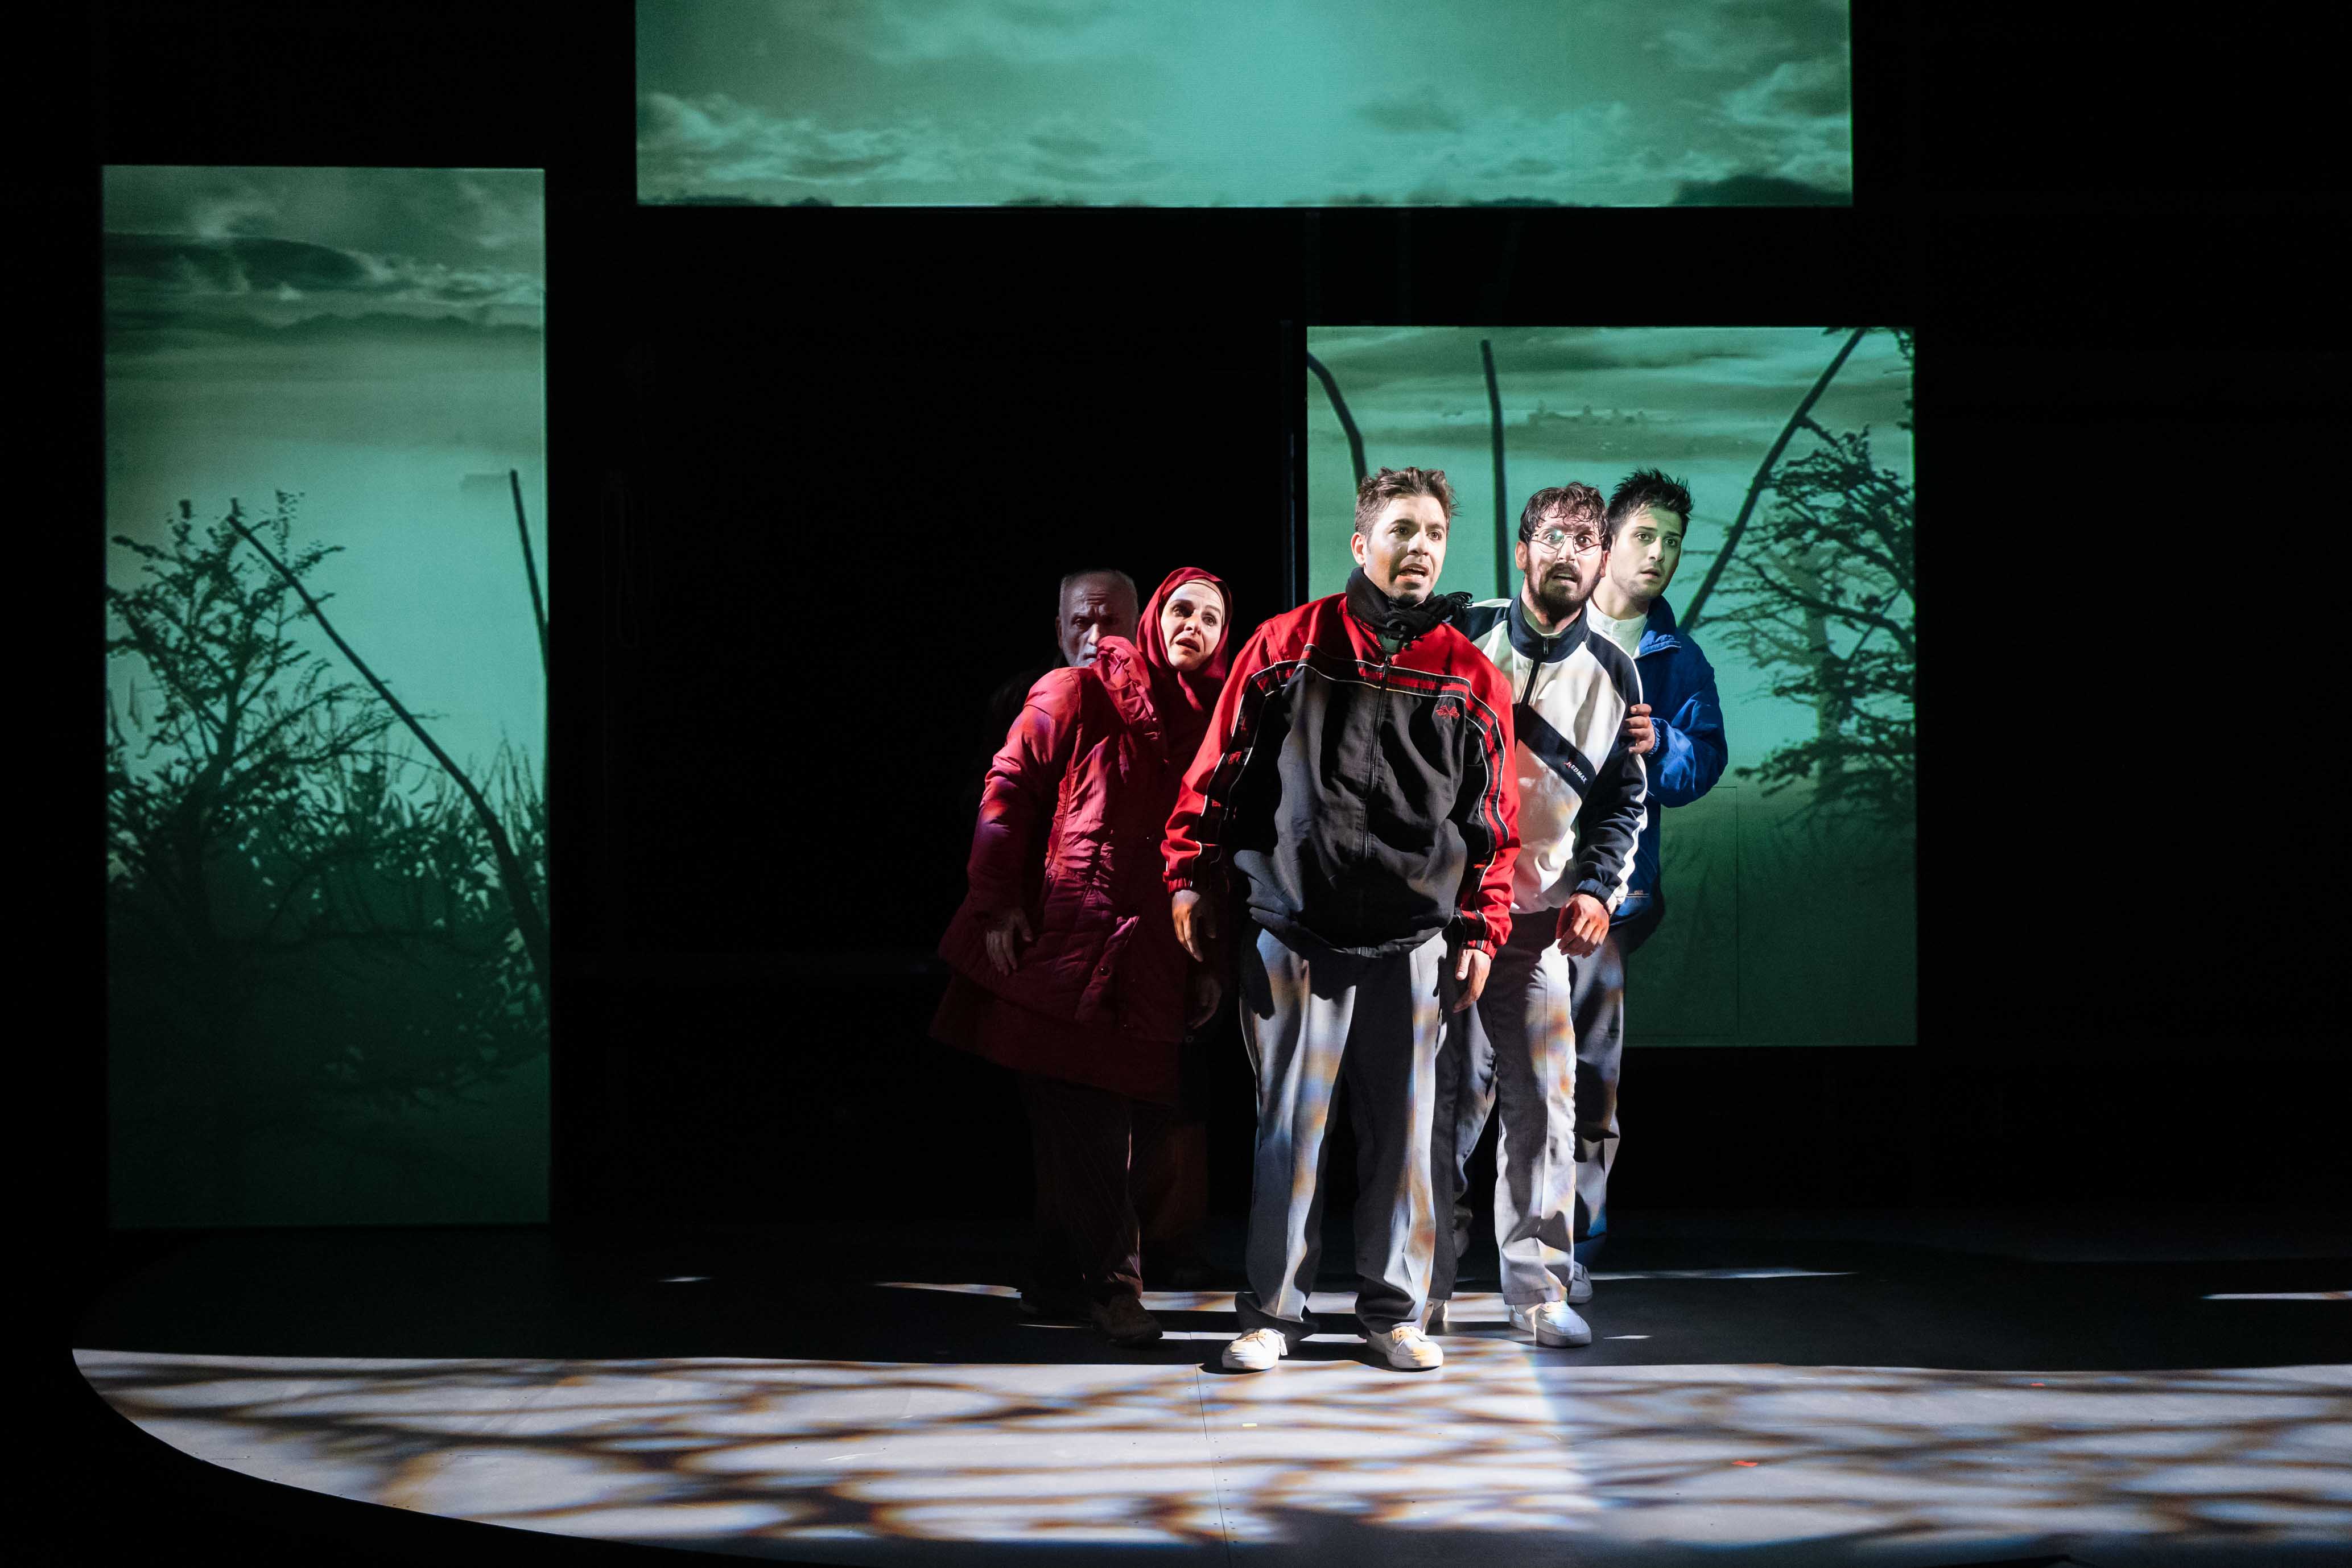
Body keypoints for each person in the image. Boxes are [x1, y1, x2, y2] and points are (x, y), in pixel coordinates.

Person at [1165, 467, 1519, 1375]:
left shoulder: (1471, 674)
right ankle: (1271, 1317)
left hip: (1413, 937)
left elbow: (1491, 820)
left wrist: (1481, 928)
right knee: (1289, 1130)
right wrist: (1189, 879)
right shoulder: (1289, 643)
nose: (1420, 547)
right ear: (1362, 544)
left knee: (1404, 1136)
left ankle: (1392, 1314)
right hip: (1293, 925)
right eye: (1402, 529)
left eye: (1433, 533)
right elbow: (1220, 774)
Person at [933, 568, 1235, 1348]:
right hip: (1061, 950)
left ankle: (1052, 1279)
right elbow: (1007, 791)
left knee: (1120, 1132)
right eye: (1181, 610)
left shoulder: (1213, 723)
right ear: (1154, 620)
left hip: (1151, 961)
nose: (1193, 626)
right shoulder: (1072, 691)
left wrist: (1208, 965)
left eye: (1210, 617)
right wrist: (996, 902)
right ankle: (1114, 1291)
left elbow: (1209, 858)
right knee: (1091, 1127)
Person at [1426, 482, 1648, 1347]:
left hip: (1536, 922)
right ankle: (1421, 1284)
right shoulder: (1460, 631)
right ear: (1522, 552)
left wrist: (1597, 888)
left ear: (1602, 560)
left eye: (1585, 541)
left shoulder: (1616, 672)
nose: (1567, 553)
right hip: (1441, 918)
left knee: (1545, 1107)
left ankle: (1537, 1288)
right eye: (1551, 537)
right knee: (1434, 1104)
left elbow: (1623, 804)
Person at [1569, 468, 1727, 1270]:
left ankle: (1574, 1237)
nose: (1659, 553)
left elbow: (1702, 766)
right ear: (1605, 542)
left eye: (1673, 541)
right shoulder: (1546, 624)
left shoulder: (1677, 658)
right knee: (1478, 1065)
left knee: (1589, 1067)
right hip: (1513, 887)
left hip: (1615, 893)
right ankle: (1452, 1237)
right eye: (1644, 535)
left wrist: (1660, 740)